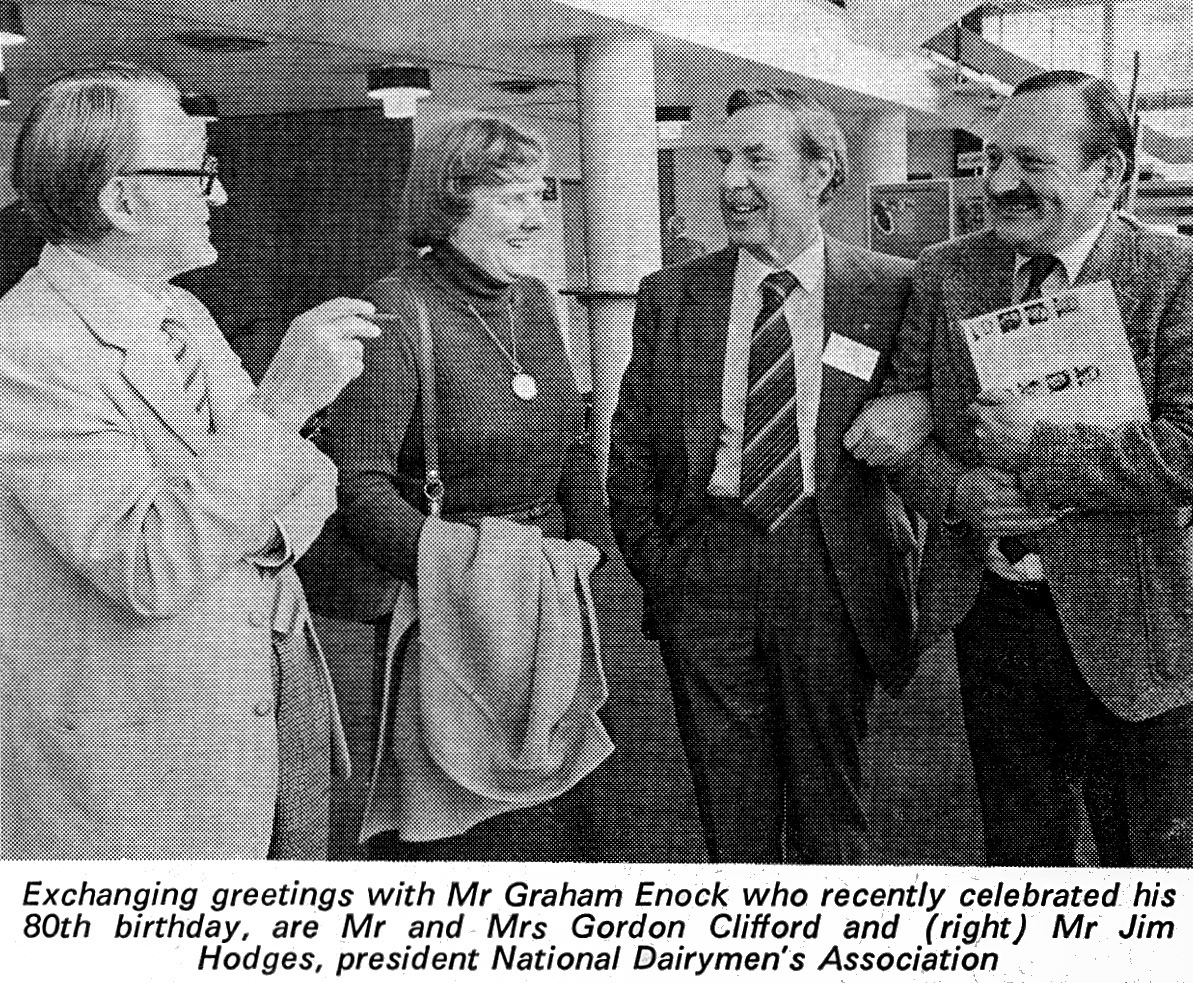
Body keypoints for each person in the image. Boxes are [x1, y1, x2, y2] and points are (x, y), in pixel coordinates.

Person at [0, 64, 380, 860]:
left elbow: (312, 481)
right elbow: (148, 565)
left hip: (266, 709)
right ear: (121, 201)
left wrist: (245, 513)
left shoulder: (184, 312)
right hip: (140, 774)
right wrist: (280, 407)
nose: (221, 194)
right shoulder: (24, 346)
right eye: (200, 172)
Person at [852, 70, 1193, 866]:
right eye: (991, 158)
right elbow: (901, 426)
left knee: (1149, 865)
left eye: (1031, 162)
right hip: (994, 619)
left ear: (1107, 172)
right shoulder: (947, 271)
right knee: (1021, 855)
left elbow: (1186, 448)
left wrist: (1038, 450)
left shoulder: (1174, 275)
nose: (1000, 182)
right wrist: (959, 492)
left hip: (1136, 622)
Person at [607, 89, 919, 864]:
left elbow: (933, 416)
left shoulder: (892, 289)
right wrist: (666, 569)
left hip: (832, 564)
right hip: (706, 562)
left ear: (818, 173)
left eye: (757, 159)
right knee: (730, 806)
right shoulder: (671, 295)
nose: (729, 181)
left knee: (829, 803)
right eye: (724, 159)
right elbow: (631, 447)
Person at [326, 115, 611, 862]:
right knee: (449, 827)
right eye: (513, 198)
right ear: (450, 203)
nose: (537, 218)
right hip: (441, 608)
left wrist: (587, 550)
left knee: (547, 815)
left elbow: (573, 444)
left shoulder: (538, 301)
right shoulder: (396, 311)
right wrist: (462, 573)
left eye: (540, 195)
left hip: (546, 598)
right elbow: (357, 485)